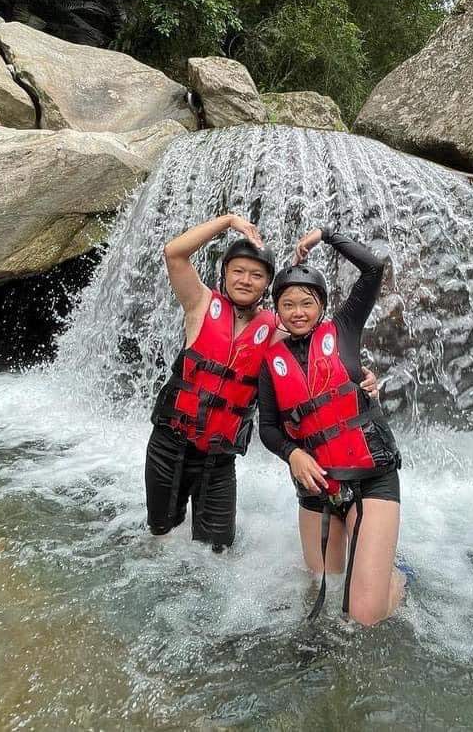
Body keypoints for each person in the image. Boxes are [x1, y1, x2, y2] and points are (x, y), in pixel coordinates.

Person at [146, 214, 379, 553]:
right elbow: (174, 253)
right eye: (237, 271)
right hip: (169, 444)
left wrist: (363, 375)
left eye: (256, 275)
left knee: (217, 552)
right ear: (224, 274)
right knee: (160, 535)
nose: (245, 280)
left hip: (219, 458)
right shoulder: (199, 303)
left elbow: (319, 348)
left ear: (266, 285)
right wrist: (227, 222)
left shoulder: (273, 329)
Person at [258, 226, 405, 625]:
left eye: (306, 302)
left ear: (320, 306)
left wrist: (325, 234)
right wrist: (293, 454)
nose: (298, 311)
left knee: (364, 616)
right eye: (288, 305)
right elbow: (268, 428)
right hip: (317, 485)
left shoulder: (343, 330)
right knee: (323, 580)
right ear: (278, 312)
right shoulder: (271, 364)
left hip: (370, 476)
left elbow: (373, 268)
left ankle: (397, 580)